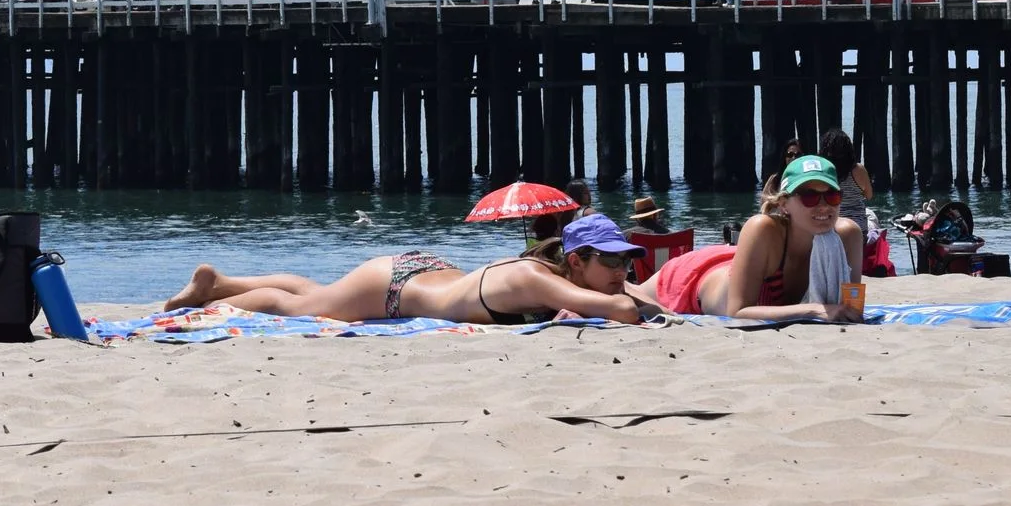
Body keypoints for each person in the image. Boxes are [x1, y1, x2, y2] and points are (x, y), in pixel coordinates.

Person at [163, 214, 649, 325]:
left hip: (426, 271)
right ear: (575, 262)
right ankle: (213, 304)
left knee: (321, 292)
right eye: (610, 261)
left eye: (626, 260)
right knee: (306, 308)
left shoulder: (550, 276)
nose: (620, 270)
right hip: (396, 288)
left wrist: (628, 286)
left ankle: (221, 281)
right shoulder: (533, 278)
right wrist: (627, 294)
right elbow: (622, 310)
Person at [637, 155, 865, 321]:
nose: (824, 205)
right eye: (809, 196)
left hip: (741, 263)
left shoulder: (848, 235)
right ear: (784, 204)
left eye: (832, 195)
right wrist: (816, 310)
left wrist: (830, 310)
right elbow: (737, 312)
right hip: (691, 279)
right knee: (622, 293)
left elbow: (851, 310)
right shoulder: (763, 229)